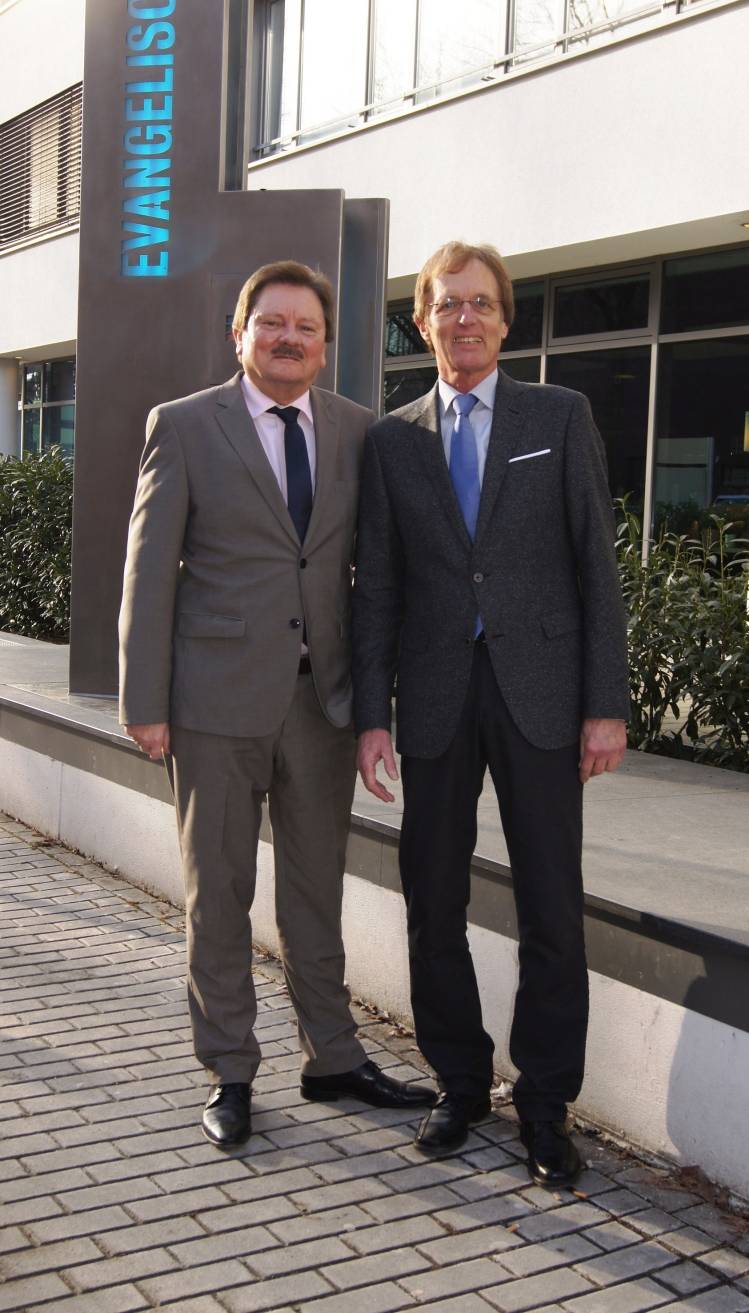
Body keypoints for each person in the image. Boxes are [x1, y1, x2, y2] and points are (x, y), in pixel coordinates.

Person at [119, 260, 435, 1149]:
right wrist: (145, 701)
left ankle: (332, 1056)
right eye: (272, 324)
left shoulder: (358, 432)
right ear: (240, 333)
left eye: (305, 327)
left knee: (313, 893)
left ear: (325, 344)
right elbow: (148, 571)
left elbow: (370, 579)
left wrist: (377, 703)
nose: (289, 339)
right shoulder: (183, 426)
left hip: (321, 707)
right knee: (216, 893)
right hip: (212, 705)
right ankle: (228, 1070)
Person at [352, 241, 629, 1188]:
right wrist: (371, 715)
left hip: (543, 695)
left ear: (505, 321)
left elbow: (597, 566)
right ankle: (459, 1082)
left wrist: (605, 705)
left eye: (480, 304)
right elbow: (377, 585)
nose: (463, 319)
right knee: (433, 898)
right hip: (431, 698)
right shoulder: (392, 440)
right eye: (444, 305)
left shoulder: (559, 414)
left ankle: (546, 1105)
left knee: (552, 902)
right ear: (421, 322)